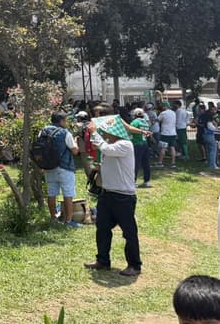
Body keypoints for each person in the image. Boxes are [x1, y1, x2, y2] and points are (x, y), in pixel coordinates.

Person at [84, 115, 142, 276]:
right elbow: (103, 151)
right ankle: (102, 260)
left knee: (129, 232)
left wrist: (94, 132)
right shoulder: (111, 144)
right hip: (107, 194)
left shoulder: (125, 144)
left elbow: (105, 149)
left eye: (107, 131)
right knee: (102, 228)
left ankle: (134, 265)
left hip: (123, 197)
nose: (105, 134)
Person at [39, 112, 81, 227]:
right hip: (64, 167)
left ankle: (53, 218)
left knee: (52, 193)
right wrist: (76, 142)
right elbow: (75, 151)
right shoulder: (65, 133)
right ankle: (68, 221)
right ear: (62, 121)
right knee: (68, 194)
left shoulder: (43, 131)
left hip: (48, 167)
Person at [130, 109, 152, 187]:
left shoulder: (135, 122)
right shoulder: (145, 122)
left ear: (135, 115)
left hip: (137, 143)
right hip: (145, 144)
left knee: (135, 163)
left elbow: (130, 130)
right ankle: (147, 180)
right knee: (146, 163)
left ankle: (133, 181)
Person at [157, 103, 178, 168]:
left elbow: (158, 120)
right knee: (172, 147)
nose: (162, 108)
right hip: (173, 133)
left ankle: (160, 162)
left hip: (165, 133)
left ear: (165, 106)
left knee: (163, 148)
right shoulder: (174, 113)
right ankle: (173, 163)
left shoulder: (163, 113)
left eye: (163, 106)